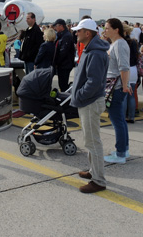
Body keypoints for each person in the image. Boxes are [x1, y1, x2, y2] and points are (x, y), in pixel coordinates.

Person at [70, 19, 110, 193]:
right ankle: (93, 171)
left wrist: (78, 95)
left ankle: (99, 181)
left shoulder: (95, 53)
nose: (76, 33)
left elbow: (93, 82)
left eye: (78, 31)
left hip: (90, 101)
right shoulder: (91, 49)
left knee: (93, 141)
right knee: (90, 139)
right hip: (88, 100)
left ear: (88, 33)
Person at [103, 18, 131, 163]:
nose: (105, 30)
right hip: (116, 86)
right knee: (119, 120)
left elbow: (124, 67)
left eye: (107, 28)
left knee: (117, 121)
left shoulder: (119, 44)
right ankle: (124, 150)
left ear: (116, 29)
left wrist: (125, 86)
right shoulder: (115, 43)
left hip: (116, 87)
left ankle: (120, 154)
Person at [52, 19, 75, 92]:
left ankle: (65, 100)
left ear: (61, 26)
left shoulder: (66, 36)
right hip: (62, 64)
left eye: (56, 26)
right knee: (61, 84)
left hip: (65, 65)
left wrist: (56, 62)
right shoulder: (61, 35)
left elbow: (63, 52)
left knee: (63, 85)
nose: (55, 28)